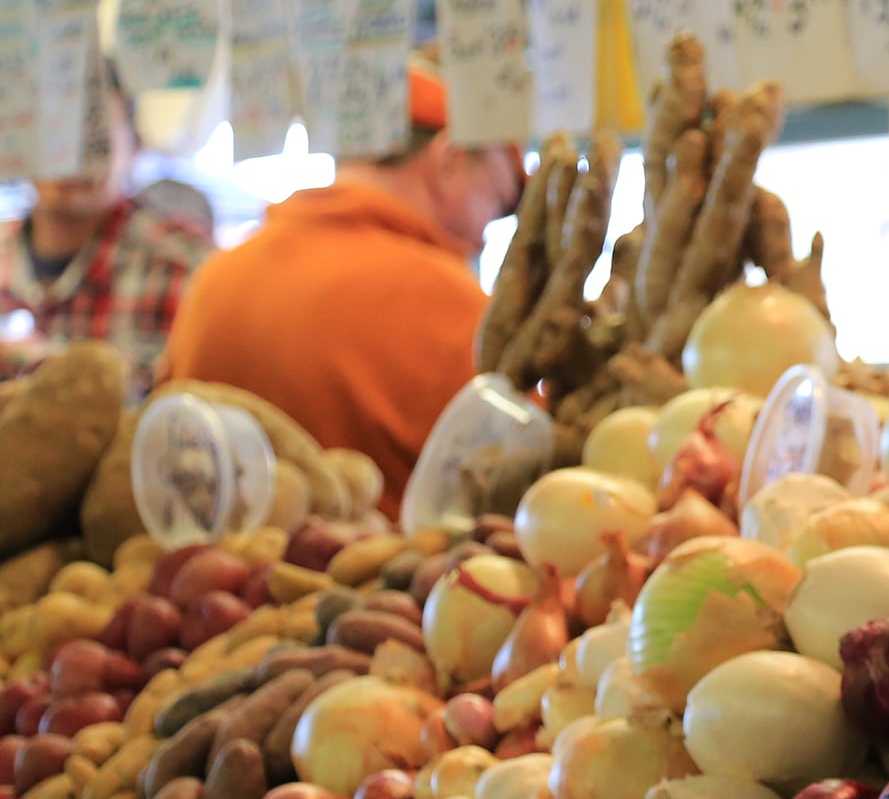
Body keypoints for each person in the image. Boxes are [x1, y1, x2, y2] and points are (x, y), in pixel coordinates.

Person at [164, 58, 520, 518]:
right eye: (497, 202)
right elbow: (522, 487)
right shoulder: (454, 303)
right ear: (449, 161)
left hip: (204, 583)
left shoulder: (216, 277)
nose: (485, 233)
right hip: (390, 586)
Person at [0, 68, 212, 386]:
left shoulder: (188, 267)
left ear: (134, 144)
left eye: (94, 136)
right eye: (55, 131)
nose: (72, 158)